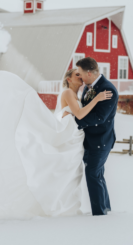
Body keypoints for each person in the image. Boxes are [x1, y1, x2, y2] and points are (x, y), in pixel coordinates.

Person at [0, 67, 112, 220]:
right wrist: (97, 99)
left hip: (74, 136)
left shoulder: (77, 95)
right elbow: (79, 114)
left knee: (72, 173)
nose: (81, 77)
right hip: (69, 134)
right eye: (77, 75)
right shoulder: (69, 93)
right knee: (65, 168)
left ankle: (69, 205)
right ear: (69, 79)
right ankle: (63, 206)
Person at [63, 57, 118, 216]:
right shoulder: (88, 87)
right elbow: (86, 108)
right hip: (89, 140)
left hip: (101, 140)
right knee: (98, 175)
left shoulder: (108, 90)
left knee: (92, 173)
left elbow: (100, 117)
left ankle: (99, 215)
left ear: (88, 73)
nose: (79, 76)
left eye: (80, 73)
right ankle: (105, 209)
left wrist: (74, 121)